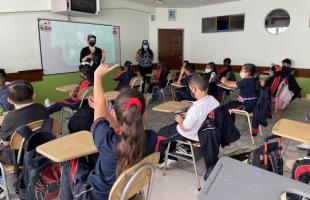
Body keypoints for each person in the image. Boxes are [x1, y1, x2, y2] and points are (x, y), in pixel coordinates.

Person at [62, 63, 157, 199]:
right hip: (127, 192)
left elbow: (100, 104)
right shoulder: (151, 138)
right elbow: (122, 130)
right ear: (144, 114)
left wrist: (97, 75)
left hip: (94, 195)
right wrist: (104, 111)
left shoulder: (107, 141)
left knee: (68, 161)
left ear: (114, 112)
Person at [156, 73, 219, 167]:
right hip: (205, 132)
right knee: (172, 130)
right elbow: (206, 114)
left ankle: (161, 161)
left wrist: (180, 120)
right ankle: (171, 156)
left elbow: (185, 128)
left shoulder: (195, 109)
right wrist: (187, 114)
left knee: (160, 135)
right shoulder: (213, 100)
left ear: (194, 89)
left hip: (192, 133)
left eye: (189, 88)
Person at [0, 80, 49, 165]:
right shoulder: (42, 108)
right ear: (34, 95)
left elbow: (6, 143)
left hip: (21, 157)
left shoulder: (9, 119)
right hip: (44, 149)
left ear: (9, 100)